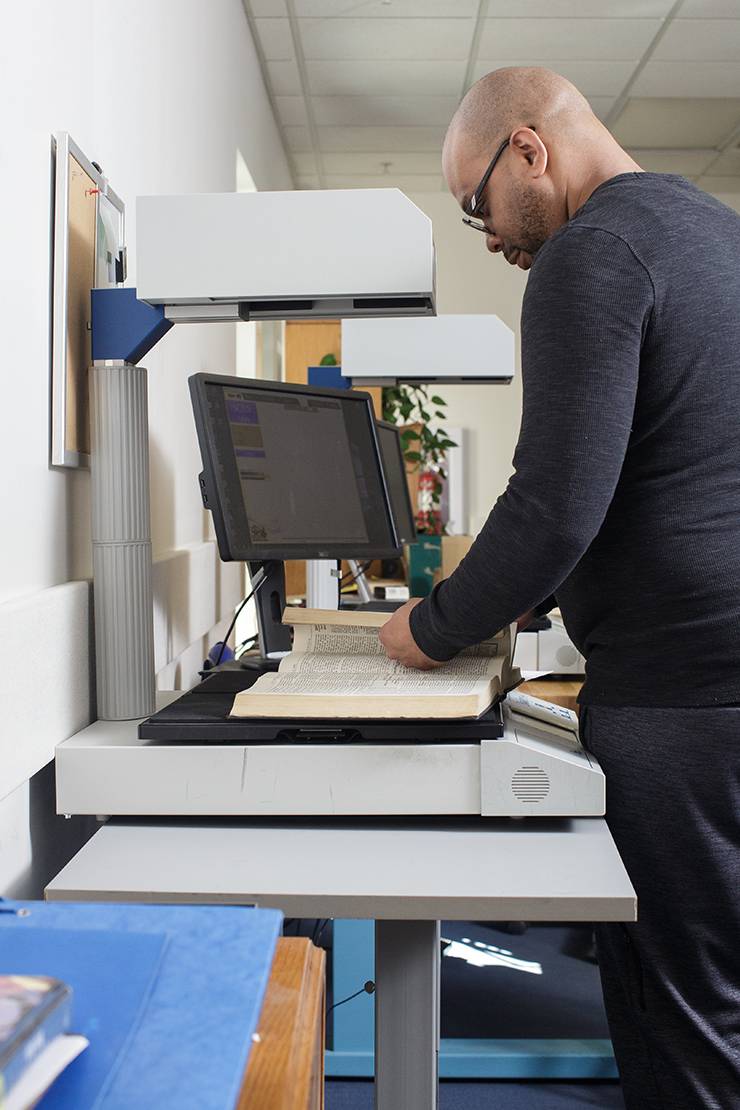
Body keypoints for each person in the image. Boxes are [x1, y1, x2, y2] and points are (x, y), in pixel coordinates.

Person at [379, 67, 740, 1109]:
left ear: (528, 149)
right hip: (718, 677)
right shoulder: (708, 232)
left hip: (684, 697)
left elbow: (551, 505)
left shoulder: (592, 255)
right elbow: (665, 464)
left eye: (475, 203)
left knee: (683, 1014)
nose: (487, 235)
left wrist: (430, 629)